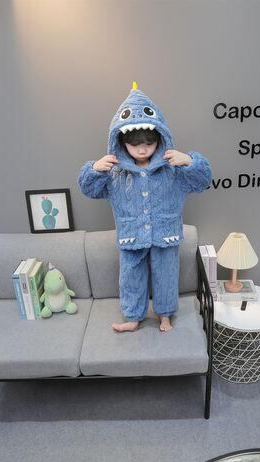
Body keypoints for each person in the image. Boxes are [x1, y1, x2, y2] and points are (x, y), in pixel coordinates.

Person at [78, 83, 212, 333]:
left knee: (166, 275)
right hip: (131, 236)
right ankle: (133, 316)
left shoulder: (173, 169)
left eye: (149, 143)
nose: (142, 149)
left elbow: (202, 181)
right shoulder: (115, 173)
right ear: (121, 141)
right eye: (135, 144)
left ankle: (165, 314)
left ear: (160, 138)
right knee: (131, 277)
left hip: (165, 234)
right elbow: (90, 190)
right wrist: (95, 170)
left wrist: (189, 161)